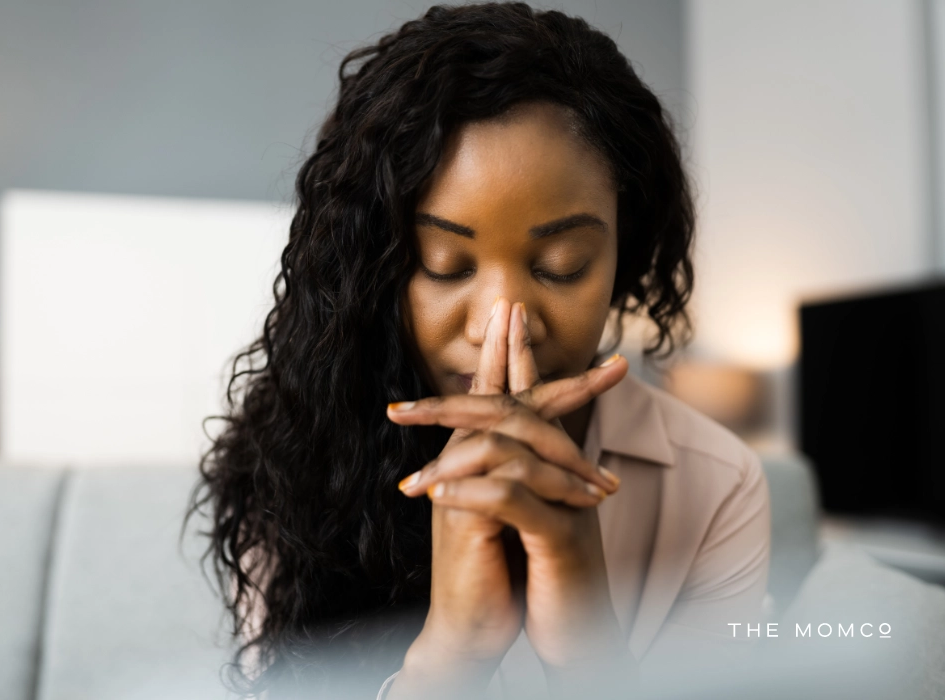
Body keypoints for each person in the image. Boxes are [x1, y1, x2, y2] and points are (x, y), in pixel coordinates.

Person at [185, 3, 771, 699]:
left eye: (561, 264)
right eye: (444, 263)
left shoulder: (717, 487)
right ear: (378, 270)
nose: (505, 326)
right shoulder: (294, 458)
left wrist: (588, 645)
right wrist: (451, 652)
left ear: (625, 256)